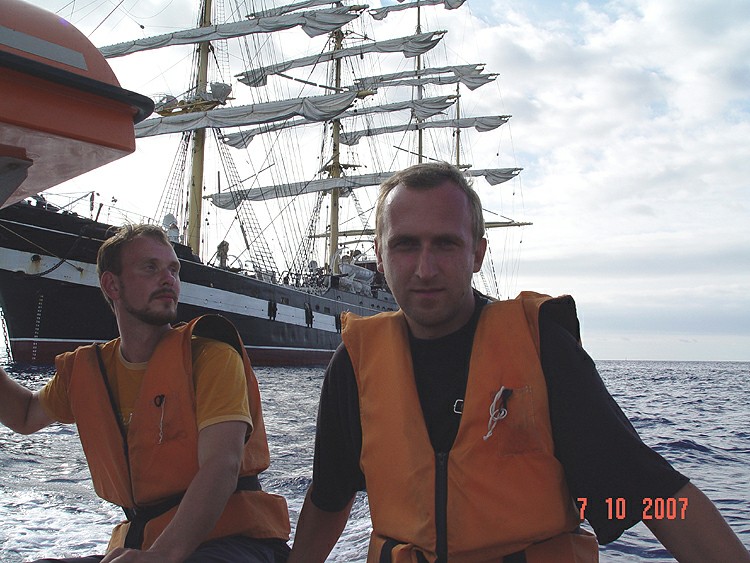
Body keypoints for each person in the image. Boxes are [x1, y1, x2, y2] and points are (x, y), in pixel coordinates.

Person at [288, 162, 750, 562]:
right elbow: (330, 497)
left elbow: (652, 494)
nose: (425, 269)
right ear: (379, 255)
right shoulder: (356, 364)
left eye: (445, 244)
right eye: (405, 245)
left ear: (478, 254)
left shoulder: (540, 349)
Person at [0, 224, 291, 562]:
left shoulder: (211, 356)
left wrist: (163, 555)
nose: (168, 279)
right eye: (150, 268)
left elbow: (222, 465)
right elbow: (24, 415)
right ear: (112, 285)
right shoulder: (88, 371)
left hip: (237, 541)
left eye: (173, 270)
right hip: (147, 544)